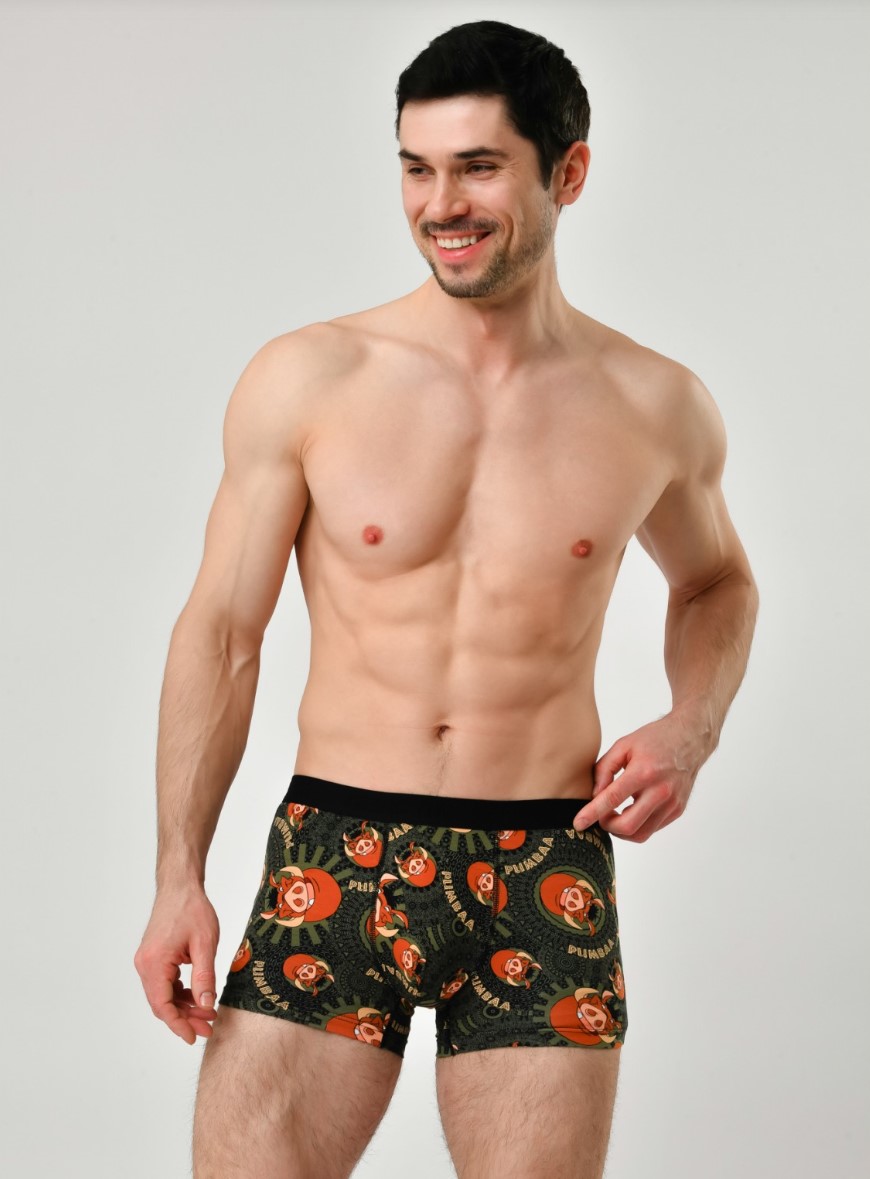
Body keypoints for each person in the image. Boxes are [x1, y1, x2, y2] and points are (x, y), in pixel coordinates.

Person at [134, 19, 758, 1179]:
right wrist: (180, 876)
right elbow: (222, 634)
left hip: (544, 864)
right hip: (335, 853)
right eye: (417, 169)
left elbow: (718, 581)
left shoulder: (653, 405)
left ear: (569, 172)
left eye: (478, 167)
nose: (441, 206)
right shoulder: (312, 378)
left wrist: (694, 724)